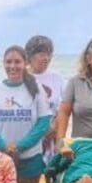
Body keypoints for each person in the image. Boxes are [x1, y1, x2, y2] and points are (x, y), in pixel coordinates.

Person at [0, 45, 52, 183]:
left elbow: (44, 121)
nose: (13, 66)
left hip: (30, 157)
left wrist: (20, 145)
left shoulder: (36, 88)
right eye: (9, 62)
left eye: (17, 62)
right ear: (3, 63)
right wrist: (2, 144)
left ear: (25, 63)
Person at [25, 35, 64, 163]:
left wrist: (54, 127)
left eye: (48, 54)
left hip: (51, 137)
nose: (46, 58)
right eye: (41, 54)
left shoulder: (57, 78)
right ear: (30, 56)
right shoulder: (22, 77)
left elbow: (63, 108)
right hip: (27, 136)